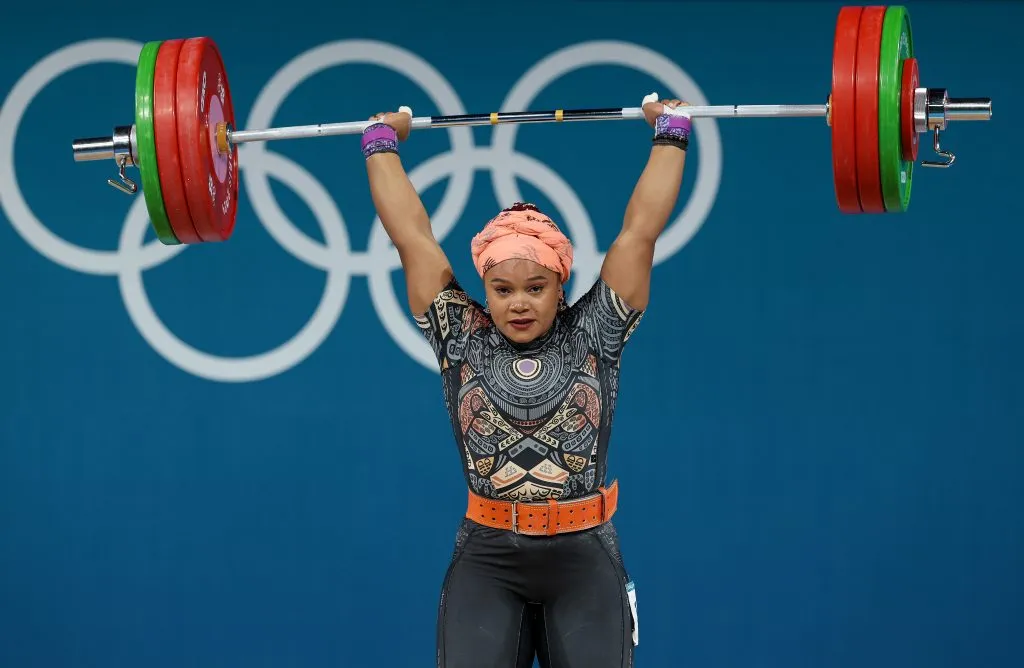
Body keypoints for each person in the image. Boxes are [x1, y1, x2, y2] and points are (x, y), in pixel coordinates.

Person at [361, 94, 691, 668]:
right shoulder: (458, 332)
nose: (519, 303)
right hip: (488, 560)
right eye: (503, 289)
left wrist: (671, 134)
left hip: (583, 560)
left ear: (561, 286)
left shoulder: (596, 331)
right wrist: (380, 143)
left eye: (535, 288)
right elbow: (410, 236)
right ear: (484, 290)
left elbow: (640, 232)